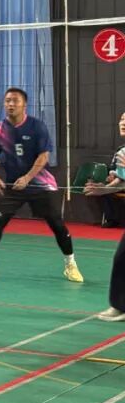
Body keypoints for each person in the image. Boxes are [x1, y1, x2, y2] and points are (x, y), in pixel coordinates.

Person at [0, 87, 83, 283]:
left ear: (24, 105)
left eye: (15, 101)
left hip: (39, 185)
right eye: (7, 101)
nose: (11, 104)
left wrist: (28, 178)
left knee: (57, 225)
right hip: (13, 186)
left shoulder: (37, 126)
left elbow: (44, 156)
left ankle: (71, 265)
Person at [84, 111, 125, 321]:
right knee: (121, 258)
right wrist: (103, 190)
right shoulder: (122, 153)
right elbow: (121, 182)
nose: (123, 122)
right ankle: (119, 306)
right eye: (122, 119)